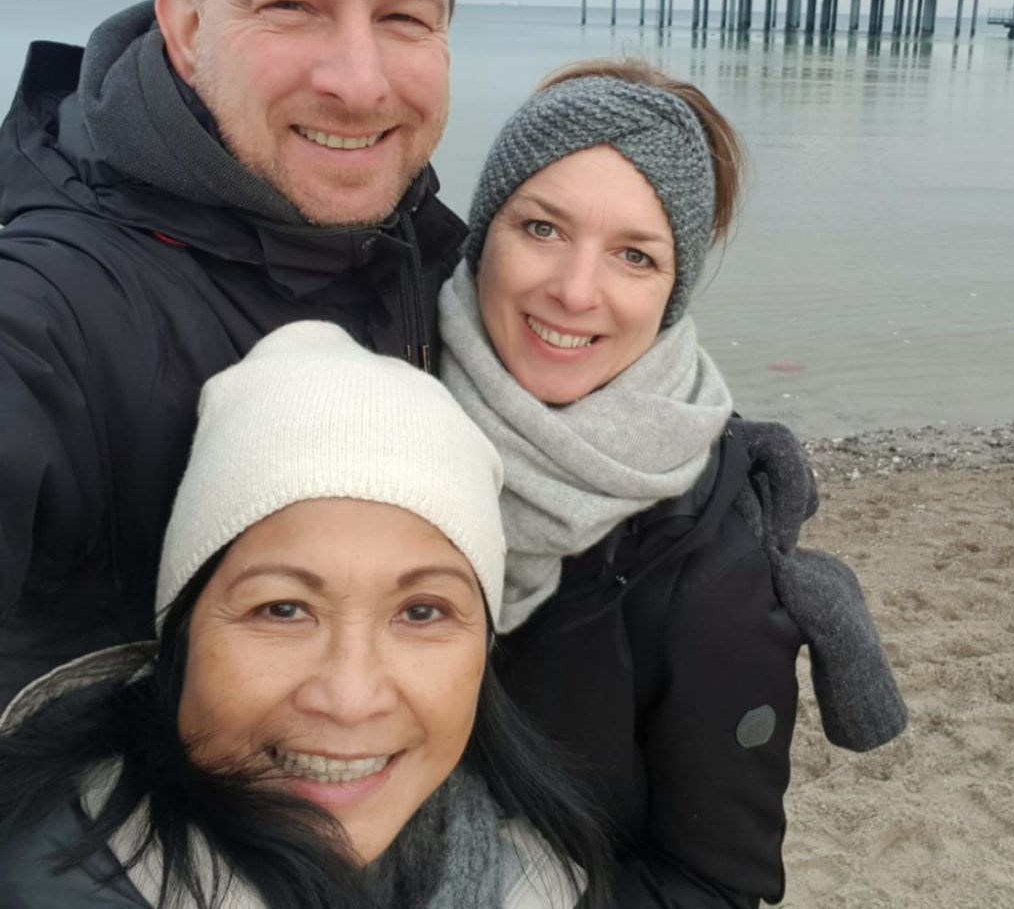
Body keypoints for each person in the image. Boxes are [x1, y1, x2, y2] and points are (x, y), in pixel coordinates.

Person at [0, 0, 468, 706]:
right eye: (290, 5)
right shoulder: (61, 306)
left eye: (406, 16)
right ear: (186, 28)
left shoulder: (429, 259)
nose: (358, 80)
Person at [438, 59, 907, 907]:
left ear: (673, 291)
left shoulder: (713, 569)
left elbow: (713, 883)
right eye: (541, 228)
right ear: (483, 232)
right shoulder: (382, 410)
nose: (575, 290)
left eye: (635, 255)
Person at [0, 321, 612, 908]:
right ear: (181, 631)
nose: (349, 699)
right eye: (283, 609)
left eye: (422, 611)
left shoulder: (544, 882)